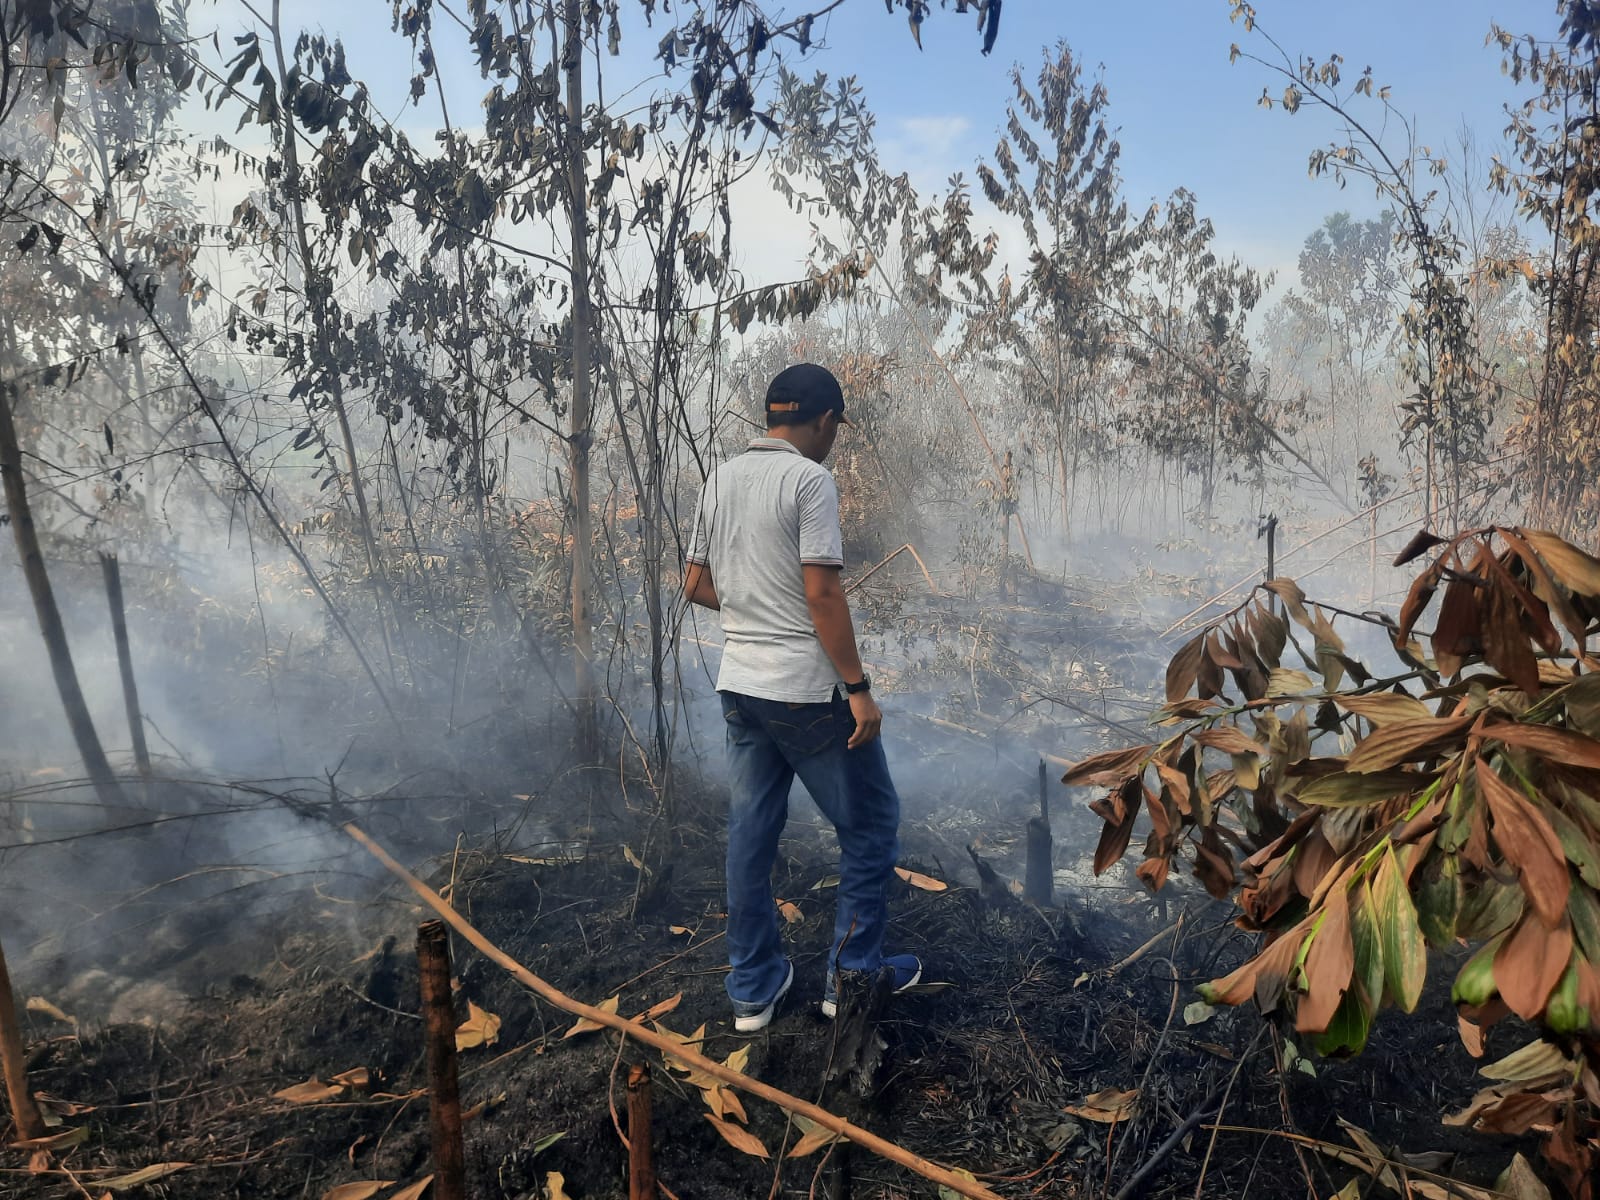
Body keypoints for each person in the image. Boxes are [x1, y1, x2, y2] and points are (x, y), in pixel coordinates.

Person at [683, 362, 921, 1033]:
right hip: (804, 693)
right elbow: (821, 595)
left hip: (741, 686)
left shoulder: (720, 479)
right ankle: (852, 979)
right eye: (834, 428)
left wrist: (756, 604)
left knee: (751, 833)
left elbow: (695, 584)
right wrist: (859, 689)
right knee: (871, 826)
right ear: (823, 421)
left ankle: (752, 988)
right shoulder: (809, 480)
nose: (833, 440)